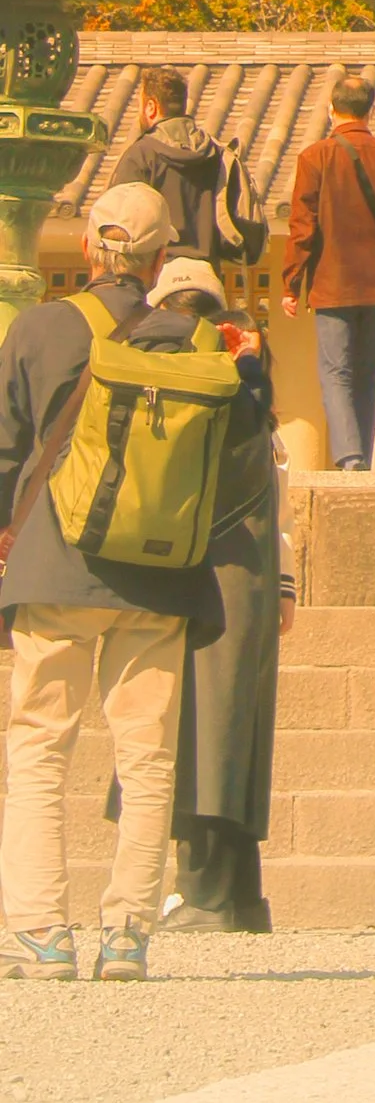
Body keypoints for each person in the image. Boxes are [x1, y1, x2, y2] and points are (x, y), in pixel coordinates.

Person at [0, 187, 230, 982]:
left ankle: (40, 932)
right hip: (161, 574)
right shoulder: (198, 339)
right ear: (164, 258)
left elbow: (4, 455)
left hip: (54, 566)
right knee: (147, 755)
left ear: (92, 250)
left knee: (38, 749)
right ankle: (129, 931)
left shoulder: (36, 328)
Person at [148, 253, 289, 934]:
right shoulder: (245, 380)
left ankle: (206, 893)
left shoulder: (193, 383)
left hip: (202, 575)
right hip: (248, 576)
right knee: (235, 731)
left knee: (203, 731)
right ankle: (238, 894)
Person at [284, 67, 375, 471]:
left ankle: (349, 456)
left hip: (331, 283)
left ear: (332, 109)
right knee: (366, 376)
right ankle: (361, 452)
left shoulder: (315, 158)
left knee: (336, 372)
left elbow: (303, 226)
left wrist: (292, 282)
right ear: (370, 111)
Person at [122, 68, 225, 264]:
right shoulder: (215, 153)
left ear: (151, 107)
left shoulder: (142, 155)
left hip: (161, 274)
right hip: (208, 274)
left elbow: (121, 223)